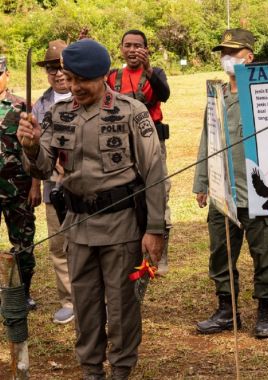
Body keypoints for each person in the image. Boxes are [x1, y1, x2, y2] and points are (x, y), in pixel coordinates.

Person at [17, 39, 165, 380]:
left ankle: (121, 370)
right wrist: (31, 147)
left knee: (123, 305)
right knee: (84, 307)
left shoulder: (130, 111)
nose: (74, 87)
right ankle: (92, 370)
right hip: (78, 227)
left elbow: (154, 170)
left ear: (101, 76)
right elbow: (43, 169)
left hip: (122, 227)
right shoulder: (59, 113)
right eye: (69, 78)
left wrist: (155, 229)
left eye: (82, 80)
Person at [193, 28, 268, 339]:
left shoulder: (267, 94)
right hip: (224, 194)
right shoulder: (216, 96)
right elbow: (207, 140)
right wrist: (202, 182)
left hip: (260, 195)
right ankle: (226, 310)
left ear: (250, 57)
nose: (226, 58)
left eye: (232, 53)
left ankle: (265, 309)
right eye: (223, 53)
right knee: (220, 252)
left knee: (265, 254)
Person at [106, 29, 171, 276]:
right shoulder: (113, 76)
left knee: (159, 192)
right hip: (121, 145)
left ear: (146, 49)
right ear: (121, 49)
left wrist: (149, 70)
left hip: (152, 141)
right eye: (128, 45)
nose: (133, 50)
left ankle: (160, 255)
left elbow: (164, 94)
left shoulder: (156, 74)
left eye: (138, 46)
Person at [32, 39, 74, 324]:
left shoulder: (85, 95)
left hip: (87, 187)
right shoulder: (41, 105)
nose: (57, 74)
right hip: (53, 187)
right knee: (58, 246)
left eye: (61, 68)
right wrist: (35, 184)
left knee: (88, 243)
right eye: (51, 68)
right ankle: (69, 302)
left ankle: (99, 299)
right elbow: (33, 152)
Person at [0, 55, 41, 310]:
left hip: (18, 190)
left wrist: (36, 186)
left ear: (6, 75)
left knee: (23, 245)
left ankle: (23, 292)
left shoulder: (21, 107)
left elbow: (35, 149)